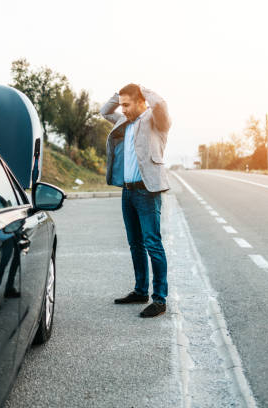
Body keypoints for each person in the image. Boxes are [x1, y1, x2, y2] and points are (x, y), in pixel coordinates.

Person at [101, 84, 171, 318]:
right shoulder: (124, 121)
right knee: (135, 244)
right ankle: (141, 291)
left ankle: (159, 299)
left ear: (142, 102)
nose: (123, 109)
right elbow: (104, 111)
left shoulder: (155, 119)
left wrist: (142, 88)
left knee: (152, 243)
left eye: (127, 105)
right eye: (122, 105)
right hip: (128, 191)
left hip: (147, 191)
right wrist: (119, 94)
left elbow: (160, 104)